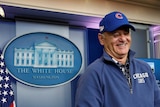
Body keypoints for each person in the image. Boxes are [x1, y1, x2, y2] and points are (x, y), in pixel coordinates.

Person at [75, 11, 160, 107]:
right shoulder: (93, 74)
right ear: (101, 39)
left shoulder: (145, 68)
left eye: (126, 33)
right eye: (116, 34)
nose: (123, 39)